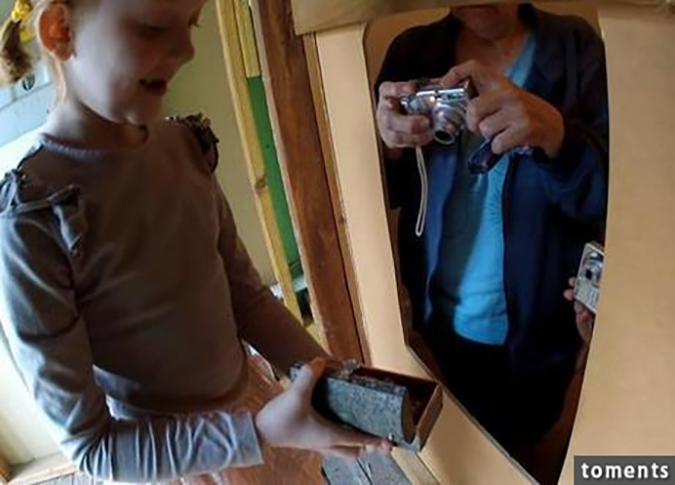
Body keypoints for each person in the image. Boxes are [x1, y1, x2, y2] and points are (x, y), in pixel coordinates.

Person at [0, 0, 389, 483]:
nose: (186, 50)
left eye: (192, 23)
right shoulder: (36, 215)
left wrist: (332, 386)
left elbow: (247, 298)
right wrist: (257, 433)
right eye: (152, 27)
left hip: (252, 411)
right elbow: (94, 449)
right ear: (60, 30)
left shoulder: (184, 146)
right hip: (175, 460)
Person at [375, 3, 608, 457]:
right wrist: (388, 146)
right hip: (436, 324)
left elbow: (614, 198)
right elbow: (386, 192)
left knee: (531, 438)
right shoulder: (411, 52)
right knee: (463, 443)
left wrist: (558, 137)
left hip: (544, 331)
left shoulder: (577, 50)